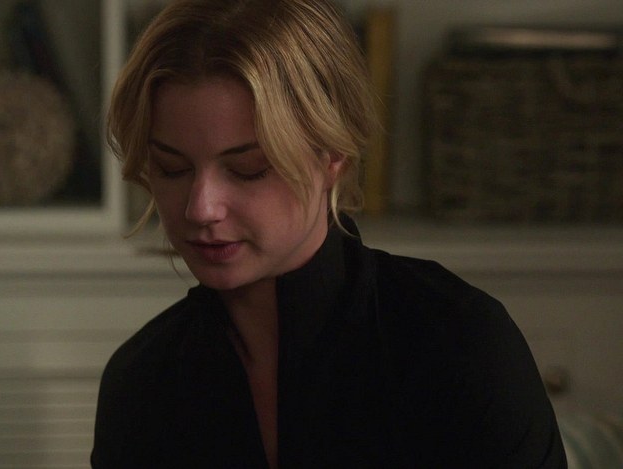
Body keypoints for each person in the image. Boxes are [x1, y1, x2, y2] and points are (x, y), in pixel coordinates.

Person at [91, 0, 567, 467]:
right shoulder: (140, 385)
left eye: (248, 168)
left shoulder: (459, 345)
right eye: (172, 168)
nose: (201, 208)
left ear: (332, 154)